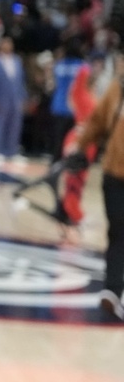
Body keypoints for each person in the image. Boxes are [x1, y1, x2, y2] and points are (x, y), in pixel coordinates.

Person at [71, 51, 124, 321]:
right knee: (118, 232)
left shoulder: (117, 88)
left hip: (113, 175)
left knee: (118, 233)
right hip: (114, 175)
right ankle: (113, 291)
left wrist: (81, 148)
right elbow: (97, 122)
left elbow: (96, 122)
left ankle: (113, 290)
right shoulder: (117, 88)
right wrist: (80, 150)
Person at [0, 36, 28, 163]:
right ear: (0, 45)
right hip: (0, 98)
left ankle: (12, 151)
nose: (7, 45)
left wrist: (23, 98)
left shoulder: (17, 61)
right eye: (5, 43)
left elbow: (21, 81)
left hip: (15, 99)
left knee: (15, 125)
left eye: (10, 43)